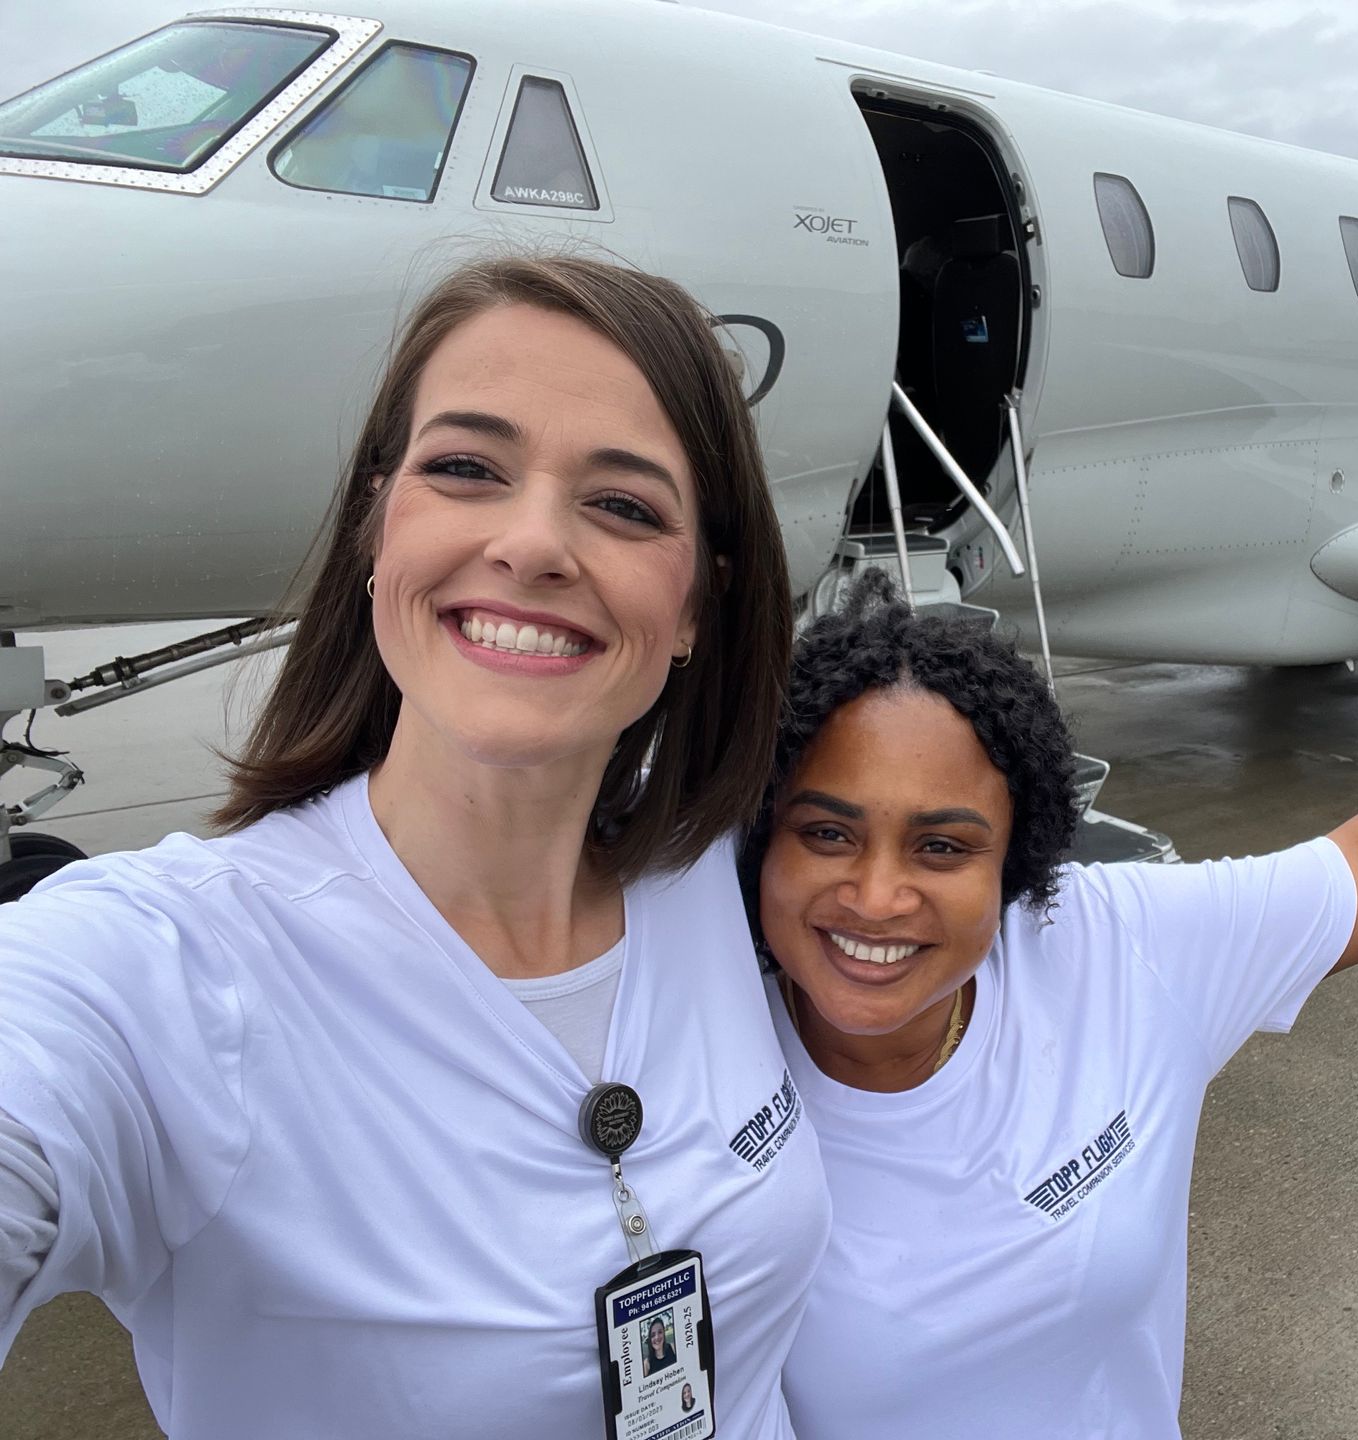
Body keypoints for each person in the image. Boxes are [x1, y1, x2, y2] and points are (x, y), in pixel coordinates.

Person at [0, 257, 829, 1438]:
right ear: (374, 528)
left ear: (698, 602)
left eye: (627, 505)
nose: (535, 544)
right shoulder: (167, 967)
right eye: (464, 469)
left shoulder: (719, 879)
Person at [743, 563, 1358, 1438]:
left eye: (943, 846)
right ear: (760, 840)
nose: (876, 895)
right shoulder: (690, 1052)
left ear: (1017, 865)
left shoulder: (1108, 947)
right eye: (826, 834)